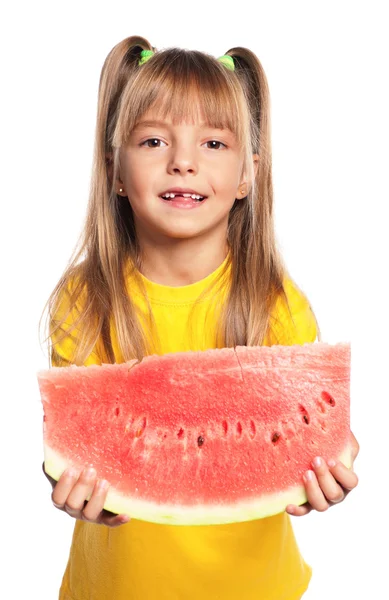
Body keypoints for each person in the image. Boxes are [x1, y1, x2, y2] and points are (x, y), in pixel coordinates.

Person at [40, 35, 359, 600]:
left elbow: (312, 436)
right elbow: (74, 445)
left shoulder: (277, 305)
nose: (182, 161)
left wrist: (330, 463)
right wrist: (69, 487)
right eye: (154, 139)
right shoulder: (83, 302)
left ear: (247, 176)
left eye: (213, 142)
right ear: (115, 169)